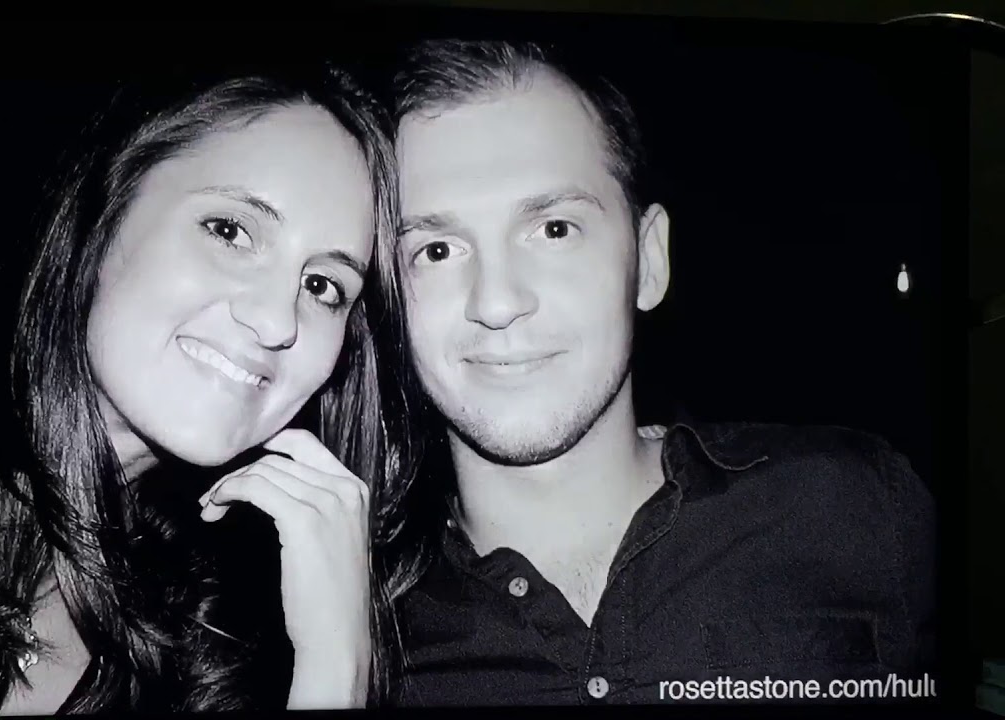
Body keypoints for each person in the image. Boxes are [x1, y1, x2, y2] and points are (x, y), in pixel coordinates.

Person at [0, 56, 410, 717]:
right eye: (230, 231)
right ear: (103, 210)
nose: (276, 321)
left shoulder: (219, 644)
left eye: (323, 285)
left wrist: (337, 668)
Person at [380, 38, 936, 706]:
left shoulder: (860, 505)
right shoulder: (361, 637)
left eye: (554, 229)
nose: (497, 302)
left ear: (649, 261)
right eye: (437, 250)